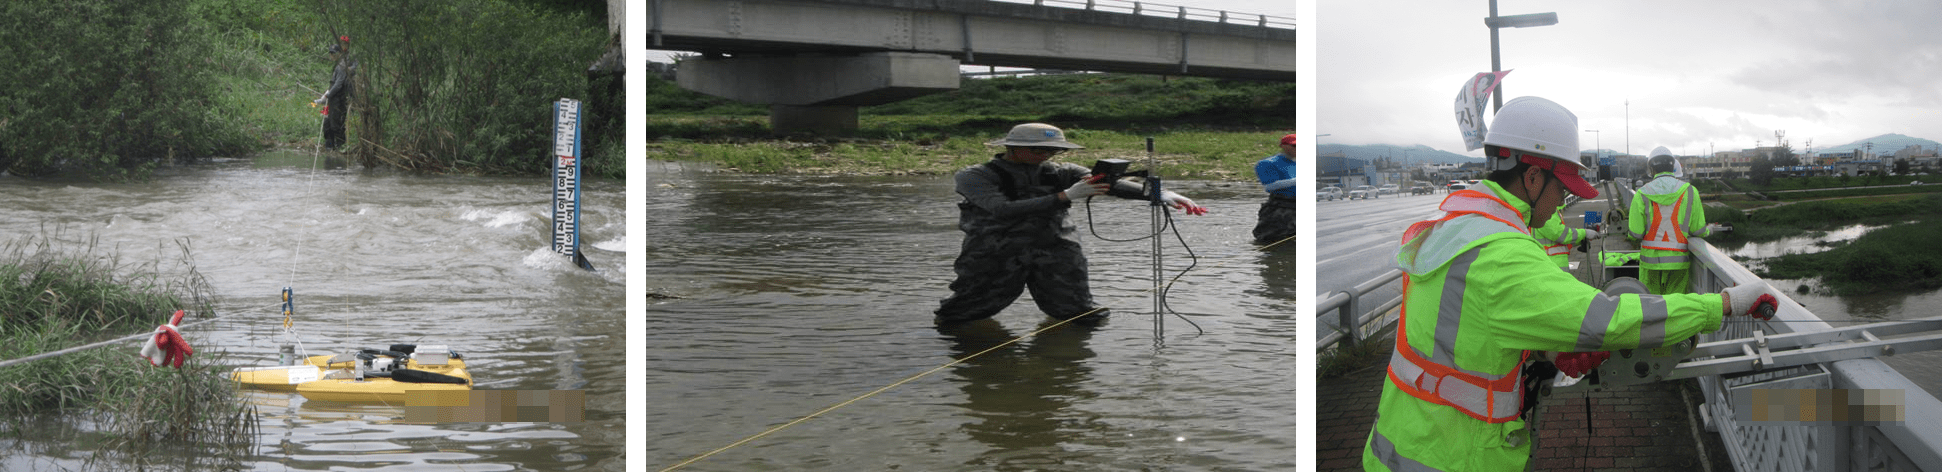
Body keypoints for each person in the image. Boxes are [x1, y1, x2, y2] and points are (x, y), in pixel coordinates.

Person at [1362, 97, 1774, 471]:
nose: (1563, 201)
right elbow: (1609, 320)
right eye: (1562, 187)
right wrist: (1721, 304)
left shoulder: (1455, 226)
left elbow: (1465, 330)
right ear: (1534, 178)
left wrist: (1540, 342)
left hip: (1402, 441)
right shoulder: (1500, 255)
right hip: (1450, 456)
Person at [935, 123, 1208, 326]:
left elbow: (1108, 184)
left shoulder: (1063, 171)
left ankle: (1068, 367)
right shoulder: (975, 176)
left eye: (1053, 149)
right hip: (994, 253)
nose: (1047, 154)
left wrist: (1158, 194)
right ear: (1011, 147)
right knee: (963, 314)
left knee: (1082, 314)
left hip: (1057, 250)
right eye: (1038, 150)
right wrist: (1065, 196)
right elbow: (1001, 209)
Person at [1628, 146, 1718, 295]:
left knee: (1650, 307)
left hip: (1650, 263)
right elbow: (1698, 230)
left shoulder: (1642, 193)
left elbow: (1635, 233)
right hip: (1679, 263)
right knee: (1675, 308)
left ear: (1651, 168)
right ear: (1673, 166)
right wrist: (1710, 230)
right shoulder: (1690, 191)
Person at [1252, 133, 1300, 246]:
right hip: (1281, 209)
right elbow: (1269, 186)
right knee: (1272, 240)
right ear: (1284, 146)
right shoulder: (1268, 163)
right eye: (1295, 146)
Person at [314, 35, 356, 150]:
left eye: (333, 53)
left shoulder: (342, 65)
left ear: (338, 53)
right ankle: (329, 149)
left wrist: (328, 95)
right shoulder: (338, 65)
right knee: (327, 125)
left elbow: (338, 84)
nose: (331, 55)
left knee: (337, 125)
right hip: (332, 100)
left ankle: (340, 149)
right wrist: (326, 95)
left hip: (338, 100)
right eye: (330, 53)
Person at [1532, 202, 1603, 269]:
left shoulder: (1545, 208)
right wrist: (1584, 233)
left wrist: (1580, 240)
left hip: (1551, 263)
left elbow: (1558, 238)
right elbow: (1560, 234)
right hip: (1552, 265)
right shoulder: (1545, 209)